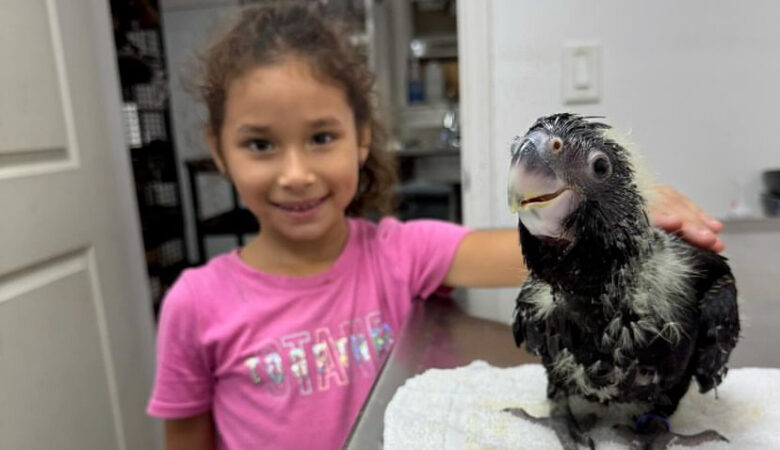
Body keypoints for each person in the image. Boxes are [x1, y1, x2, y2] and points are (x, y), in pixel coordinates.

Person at [146, 2, 725, 449]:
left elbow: (527, 249)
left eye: (321, 138)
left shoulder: (398, 251)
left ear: (362, 138)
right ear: (219, 152)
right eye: (260, 144)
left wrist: (620, 205)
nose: (296, 174)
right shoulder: (193, 305)